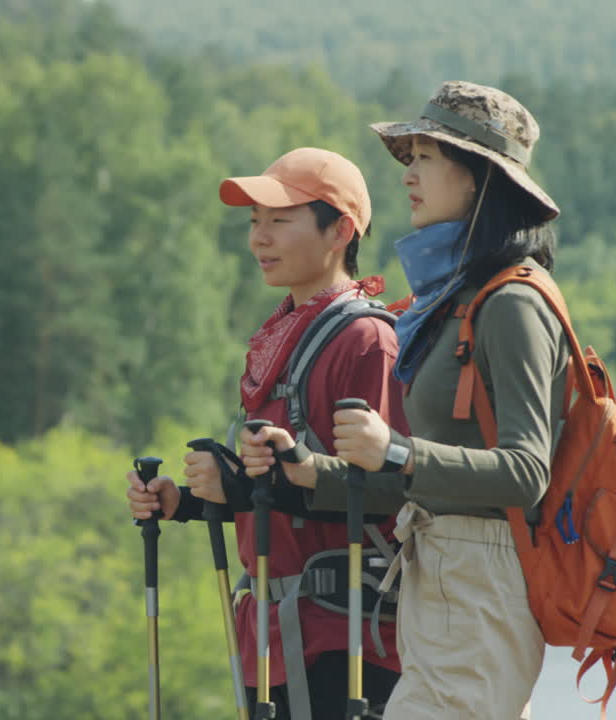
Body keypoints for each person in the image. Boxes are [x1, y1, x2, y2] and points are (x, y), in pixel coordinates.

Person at [127, 147, 409, 719]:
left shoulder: (366, 341)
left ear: (341, 232)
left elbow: (393, 489)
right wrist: (189, 500)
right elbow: (277, 489)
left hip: (346, 645)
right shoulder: (283, 338)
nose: (260, 238)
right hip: (274, 642)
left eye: (280, 221)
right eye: (255, 222)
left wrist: (272, 479)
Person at [328, 80, 571, 719]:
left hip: (482, 583)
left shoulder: (513, 303)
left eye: (427, 156)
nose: (409, 173)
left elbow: (526, 473)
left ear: (477, 178)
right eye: (409, 157)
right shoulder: (452, 303)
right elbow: (424, 476)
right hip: (443, 573)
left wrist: (398, 453)